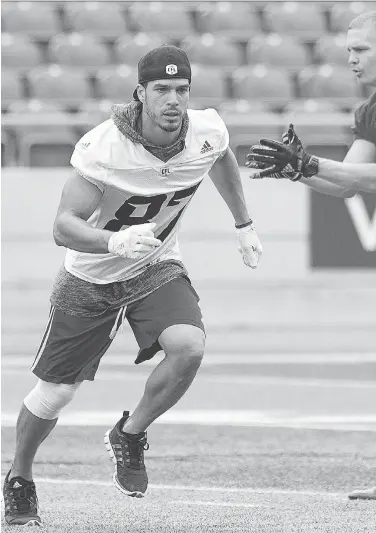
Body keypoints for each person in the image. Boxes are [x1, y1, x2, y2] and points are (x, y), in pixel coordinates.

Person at [3, 45, 262, 526]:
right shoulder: (104, 146)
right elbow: (63, 226)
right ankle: (19, 477)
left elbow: (221, 158)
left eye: (181, 90)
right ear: (140, 93)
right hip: (92, 275)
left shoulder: (206, 129)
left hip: (154, 266)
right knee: (55, 394)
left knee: (188, 347)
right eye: (161, 90)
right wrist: (113, 241)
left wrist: (243, 223)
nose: (173, 101)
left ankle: (130, 432)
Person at [246, 10, 376, 500]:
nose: (350, 59)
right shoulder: (373, 111)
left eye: (361, 50)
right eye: (348, 50)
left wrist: (307, 161)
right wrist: (296, 171)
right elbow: (349, 185)